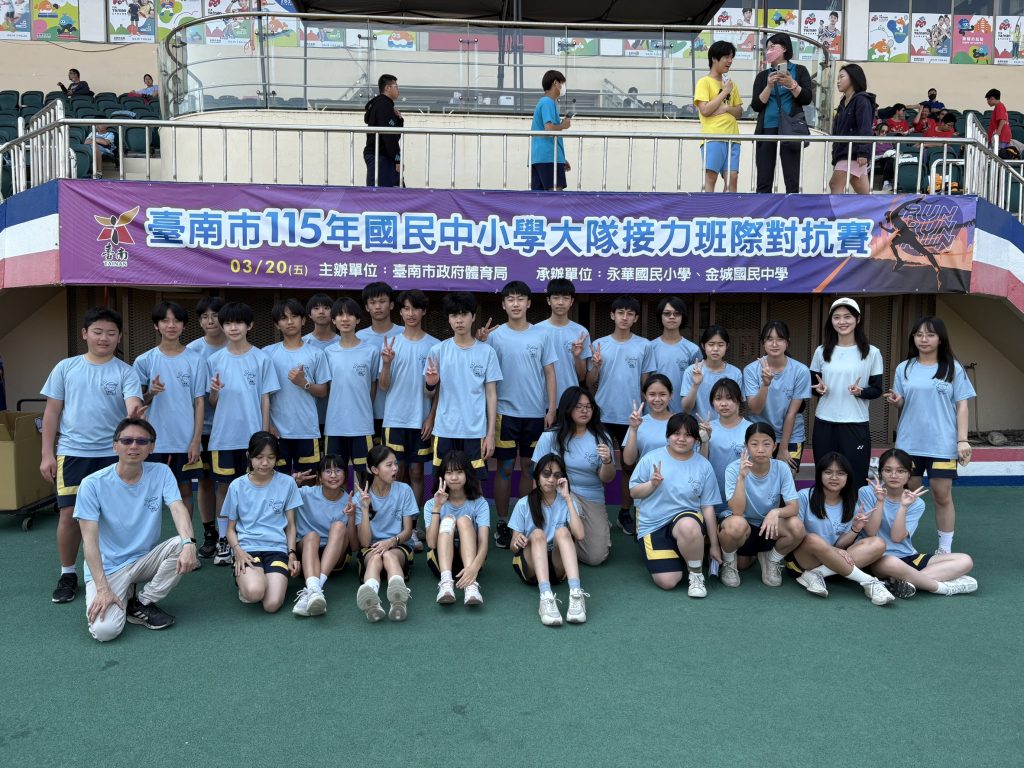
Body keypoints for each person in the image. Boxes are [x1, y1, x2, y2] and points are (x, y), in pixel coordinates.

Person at [40, 307, 144, 604]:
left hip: (113, 455)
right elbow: (51, 413)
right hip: (73, 453)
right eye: (98, 332)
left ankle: (118, 570)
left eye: (111, 333)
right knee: (69, 515)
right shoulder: (66, 368)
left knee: (115, 516)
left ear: (119, 337)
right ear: (85, 333)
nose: (104, 338)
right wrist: (47, 454)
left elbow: (132, 404)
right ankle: (68, 573)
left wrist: (135, 413)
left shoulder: (126, 372)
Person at [75, 418, 197, 641]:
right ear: (115, 445)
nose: (134, 446)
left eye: (142, 441)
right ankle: (124, 591)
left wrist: (189, 543)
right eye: (127, 440)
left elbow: (178, 508)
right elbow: (89, 542)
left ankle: (141, 602)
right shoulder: (92, 484)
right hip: (109, 568)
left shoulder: (161, 472)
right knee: (105, 632)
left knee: (183, 543)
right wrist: (102, 589)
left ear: (151, 447)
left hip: (143, 560)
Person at [476, 281, 557, 549]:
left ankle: (523, 521)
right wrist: (480, 340)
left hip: (535, 414)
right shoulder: (495, 336)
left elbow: (550, 373)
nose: (515, 303)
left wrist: (552, 408)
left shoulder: (542, 335)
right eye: (510, 299)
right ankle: (502, 521)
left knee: (531, 468)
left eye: (520, 299)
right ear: (503, 304)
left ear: (529, 303)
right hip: (504, 413)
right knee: (506, 468)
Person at [886, 316, 975, 555]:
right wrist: (897, 401)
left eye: (930, 334)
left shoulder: (953, 368)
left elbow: (962, 405)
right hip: (909, 444)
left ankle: (944, 549)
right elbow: (903, 401)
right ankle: (901, 545)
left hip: (942, 444)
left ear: (940, 339)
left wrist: (962, 440)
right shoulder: (904, 368)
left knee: (941, 495)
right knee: (908, 494)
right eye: (919, 334)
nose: (923, 339)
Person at [207, 302, 280, 566]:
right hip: (223, 437)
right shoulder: (214, 360)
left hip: (253, 437)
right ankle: (223, 540)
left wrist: (264, 435)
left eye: (238, 322)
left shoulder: (261, 359)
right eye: (228, 323)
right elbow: (212, 403)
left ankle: (252, 537)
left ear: (250, 326)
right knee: (224, 489)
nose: (233, 328)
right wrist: (215, 391)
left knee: (254, 488)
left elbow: (265, 399)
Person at [629, 413, 722, 597]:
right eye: (676, 433)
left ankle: (696, 574)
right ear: (667, 435)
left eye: (687, 435)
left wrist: (714, 544)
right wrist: (651, 484)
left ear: (696, 439)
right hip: (653, 524)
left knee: (688, 525)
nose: (681, 439)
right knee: (668, 581)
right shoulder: (651, 458)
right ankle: (684, 554)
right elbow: (634, 492)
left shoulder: (703, 465)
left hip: (686, 522)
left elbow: (708, 507)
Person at [863, 449, 977, 597]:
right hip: (881, 559)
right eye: (888, 470)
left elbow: (897, 537)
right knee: (891, 563)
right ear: (880, 473)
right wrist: (880, 500)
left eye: (900, 471)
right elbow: (871, 532)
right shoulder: (867, 492)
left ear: (909, 474)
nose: (894, 475)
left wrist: (903, 506)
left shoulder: (916, 503)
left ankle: (905, 583)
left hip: (909, 557)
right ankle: (940, 586)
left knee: (965, 560)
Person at [133, 302, 206, 531]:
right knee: (149, 494)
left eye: (176, 320)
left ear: (184, 326)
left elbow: (199, 402)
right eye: (165, 320)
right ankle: (147, 544)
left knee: (185, 491)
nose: (171, 325)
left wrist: (195, 440)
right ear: (156, 326)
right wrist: (151, 393)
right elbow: (137, 404)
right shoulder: (144, 361)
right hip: (153, 442)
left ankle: (187, 541)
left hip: (185, 440)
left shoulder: (196, 359)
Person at [787, 452, 895, 605]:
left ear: (847, 477)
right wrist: (834, 551)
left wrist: (855, 529)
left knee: (878, 543)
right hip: (805, 559)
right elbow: (797, 533)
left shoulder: (850, 504)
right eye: (828, 472)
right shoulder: (804, 496)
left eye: (840, 473)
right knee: (813, 539)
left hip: (831, 562)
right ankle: (869, 581)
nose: (834, 477)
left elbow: (840, 544)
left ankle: (818, 574)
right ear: (819, 474)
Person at [586, 295, 649, 536]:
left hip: (631, 418)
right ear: (612, 315)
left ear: (636, 318)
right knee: (598, 465)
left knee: (629, 467)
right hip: (602, 415)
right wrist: (596, 366)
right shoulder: (600, 344)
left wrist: (645, 414)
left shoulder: (644, 346)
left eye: (630, 313)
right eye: (620, 312)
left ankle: (625, 513)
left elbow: (646, 384)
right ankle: (597, 513)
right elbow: (589, 382)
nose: (624, 317)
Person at [532, 387, 615, 566]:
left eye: (588, 406)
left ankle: (593, 528)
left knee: (595, 558)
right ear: (567, 408)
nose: (585, 411)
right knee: (544, 548)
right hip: (555, 495)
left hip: (590, 497)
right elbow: (536, 476)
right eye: (579, 407)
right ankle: (562, 538)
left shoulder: (602, 437)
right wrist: (535, 507)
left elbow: (607, 478)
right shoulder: (550, 436)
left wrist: (607, 461)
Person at [425, 291, 502, 480]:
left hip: (475, 431)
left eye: (464, 314)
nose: (459, 320)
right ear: (448, 319)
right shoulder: (437, 350)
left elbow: (491, 395)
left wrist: (490, 434)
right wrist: (430, 384)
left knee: (474, 482)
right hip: (445, 429)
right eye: (454, 315)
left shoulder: (487, 352)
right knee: (443, 482)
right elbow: (429, 393)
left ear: (473, 317)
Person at [223, 431, 302, 613]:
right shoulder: (237, 486)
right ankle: (248, 580)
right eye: (259, 457)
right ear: (249, 456)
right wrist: (238, 552)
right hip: (248, 549)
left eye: (271, 457)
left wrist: (291, 554)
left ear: (277, 458)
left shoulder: (288, 483)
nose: (265, 463)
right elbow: (230, 529)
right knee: (255, 592)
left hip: (277, 549)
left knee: (271, 605)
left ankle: (261, 576)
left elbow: (291, 526)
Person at [718, 423, 804, 588]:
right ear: (746, 446)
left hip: (768, 527)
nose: (760, 449)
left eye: (766, 444)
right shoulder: (734, 468)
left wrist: (775, 512)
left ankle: (772, 559)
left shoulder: (782, 468)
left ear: (774, 446)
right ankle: (729, 563)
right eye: (754, 444)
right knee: (736, 532)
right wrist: (742, 478)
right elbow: (737, 511)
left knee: (797, 526)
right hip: (743, 526)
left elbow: (794, 507)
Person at [810, 297, 883, 488]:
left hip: (855, 422)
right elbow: (813, 385)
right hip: (824, 421)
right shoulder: (821, 351)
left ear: (857, 319)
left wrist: (861, 392)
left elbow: (877, 389)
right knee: (824, 475)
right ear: (831, 321)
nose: (842, 321)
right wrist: (819, 390)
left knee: (855, 477)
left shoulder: (872, 352)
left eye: (847, 316)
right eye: (836, 317)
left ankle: (855, 509)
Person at [509, 454, 587, 626]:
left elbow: (580, 535)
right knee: (537, 534)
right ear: (537, 476)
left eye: (557, 475)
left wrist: (567, 498)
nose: (551, 479)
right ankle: (545, 597)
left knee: (563, 531)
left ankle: (576, 593)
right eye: (546, 474)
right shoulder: (523, 504)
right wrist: (518, 541)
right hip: (531, 568)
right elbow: (513, 547)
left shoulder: (567, 501)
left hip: (557, 568)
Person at [378, 289, 438, 511]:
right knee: (395, 471)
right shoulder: (391, 344)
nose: (411, 313)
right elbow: (383, 386)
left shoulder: (434, 345)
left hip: (420, 421)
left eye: (415, 308)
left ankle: (413, 523)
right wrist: (386, 364)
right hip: (394, 419)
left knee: (416, 472)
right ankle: (394, 520)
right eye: (406, 308)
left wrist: (431, 417)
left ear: (424, 312)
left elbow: (438, 389)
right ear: (400, 312)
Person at [263, 299, 329, 476]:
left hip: (307, 430)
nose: (290, 322)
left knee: (309, 480)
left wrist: (303, 383)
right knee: (278, 480)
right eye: (284, 318)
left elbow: (323, 391)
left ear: (303, 320)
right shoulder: (267, 354)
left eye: (294, 316)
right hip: (277, 432)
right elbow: (262, 395)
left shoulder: (316, 354)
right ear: (277, 324)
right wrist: (267, 424)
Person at [354, 445, 417, 622]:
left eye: (395, 463)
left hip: (398, 545)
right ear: (375, 470)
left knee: (389, 555)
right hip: (371, 548)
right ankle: (371, 603)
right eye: (389, 465)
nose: (395, 468)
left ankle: (399, 602)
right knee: (375, 558)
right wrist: (364, 508)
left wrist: (391, 541)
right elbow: (364, 542)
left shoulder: (404, 490)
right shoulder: (360, 497)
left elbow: (407, 531)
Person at [291, 454, 358, 617]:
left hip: (335, 557)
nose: (333, 475)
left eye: (338, 470)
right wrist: (292, 483)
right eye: (328, 471)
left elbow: (355, 546)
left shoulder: (351, 501)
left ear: (345, 474)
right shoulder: (305, 493)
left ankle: (313, 589)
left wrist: (351, 517)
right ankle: (315, 590)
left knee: (338, 526)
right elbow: (277, 496)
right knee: (312, 535)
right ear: (319, 476)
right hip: (307, 553)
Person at [742, 320, 811, 473]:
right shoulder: (751, 370)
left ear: (787, 342)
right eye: (769, 339)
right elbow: (755, 409)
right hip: (759, 435)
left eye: (780, 339)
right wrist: (765, 384)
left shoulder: (801, 370)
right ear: (763, 343)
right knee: (759, 481)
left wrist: (783, 448)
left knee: (787, 482)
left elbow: (792, 413)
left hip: (791, 437)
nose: (774, 344)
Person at [187, 296, 226, 559]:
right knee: (205, 482)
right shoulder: (192, 351)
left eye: (215, 315)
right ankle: (210, 532)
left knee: (227, 484)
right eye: (205, 316)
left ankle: (228, 535)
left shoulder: (239, 346)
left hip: (232, 430)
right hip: (200, 429)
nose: (211, 321)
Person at [423, 451, 489, 606]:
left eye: (459, 472)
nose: (454, 477)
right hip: (441, 563)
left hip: (472, 562)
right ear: (442, 476)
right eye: (449, 473)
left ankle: (471, 586)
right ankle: (446, 583)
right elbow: (431, 543)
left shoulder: (480, 503)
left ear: (467, 474)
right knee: (448, 519)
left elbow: (484, 542)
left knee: (464, 520)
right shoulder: (431, 504)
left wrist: (474, 568)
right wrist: (437, 507)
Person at [750, 32, 813, 193]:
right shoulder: (762, 76)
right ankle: (763, 208)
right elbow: (756, 105)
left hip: (791, 129)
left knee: (792, 179)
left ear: (784, 48)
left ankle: (792, 208)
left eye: (773, 47)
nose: (769, 51)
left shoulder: (800, 70)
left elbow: (807, 98)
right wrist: (768, 86)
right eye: (767, 48)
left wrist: (792, 84)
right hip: (767, 128)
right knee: (764, 179)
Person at [323, 297, 379, 479]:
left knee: (365, 475)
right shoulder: (328, 352)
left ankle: (361, 500)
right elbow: (327, 388)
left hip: (362, 425)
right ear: (333, 320)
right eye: (340, 315)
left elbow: (373, 386)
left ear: (358, 319)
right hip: (334, 425)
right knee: (333, 475)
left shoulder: (371, 351)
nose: (345, 319)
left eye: (350, 315)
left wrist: (363, 408)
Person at [356, 282, 403, 439]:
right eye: (372, 302)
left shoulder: (404, 334)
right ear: (366, 307)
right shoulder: (359, 337)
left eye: (382, 301)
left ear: (391, 305)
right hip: (367, 411)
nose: (377, 306)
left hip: (398, 412)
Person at [694, 40, 743, 192]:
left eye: (731, 57)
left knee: (732, 178)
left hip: (733, 137)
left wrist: (726, 108)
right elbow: (705, 110)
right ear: (714, 59)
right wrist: (725, 92)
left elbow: (739, 112)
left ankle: (729, 206)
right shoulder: (704, 82)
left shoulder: (731, 84)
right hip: (713, 137)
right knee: (711, 177)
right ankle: (709, 206)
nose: (730, 61)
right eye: (726, 57)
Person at [700, 378, 752, 521]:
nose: (723, 403)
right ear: (712, 402)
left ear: (739, 400)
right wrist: (705, 440)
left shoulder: (750, 429)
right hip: (711, 497)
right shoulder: (707, 428)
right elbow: (701, 463)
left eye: (729, 398)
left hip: (740, 497)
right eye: (718, 399)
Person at [641, 296, 701, 413]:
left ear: (683, 317)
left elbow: (697, 383)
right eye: (667, 313)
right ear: (660, 316)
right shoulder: (649, 347)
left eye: (677, 313)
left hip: (683, 413)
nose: (672, 317)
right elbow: (644, 381)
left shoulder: (693, 349)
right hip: (653, 412)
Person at [537, 277, 591, 402]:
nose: (560, 302)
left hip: (570, 400)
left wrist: (577, 356)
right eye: (556, 298)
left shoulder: (581, 332)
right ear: (548, 300)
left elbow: (582, 376)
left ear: (571, 301)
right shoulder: (536, 330)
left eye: (566, 298)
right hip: (540, 400)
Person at [680, 325, 742, 424]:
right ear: (703, 345)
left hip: (725, 428)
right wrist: (695, 385)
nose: (715, 349)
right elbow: (686, 409)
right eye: (711, 344)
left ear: (727, 346)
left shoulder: (735, 373)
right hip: (698, 428)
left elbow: (737, 406)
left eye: (720, 345)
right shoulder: (692, 371)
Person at [829, 63, 875, 194]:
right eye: (838, 77)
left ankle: (834, 210)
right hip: (846, 152)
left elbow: (865, 127)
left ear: (853, 78)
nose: (838, 81)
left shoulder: (862, 100)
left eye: (842, 77)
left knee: (835, 185)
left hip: (853, 153)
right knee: (863, 194)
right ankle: (872, 208)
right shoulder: (843, 104)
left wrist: (863, 152)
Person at [530, 69, 572, 191]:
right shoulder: (548, 102)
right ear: (555, 83)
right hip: (549, 158)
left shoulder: (545, 102)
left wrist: (561, 158)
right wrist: (563, 125)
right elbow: (549, 129)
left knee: (539, 198)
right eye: (562, 83)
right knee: (556, 196)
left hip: (540, 158)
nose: (563, 87)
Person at [301, 293, 337, 433]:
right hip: (309, 414)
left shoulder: (342, 342)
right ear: (309, 315)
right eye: (316, 308)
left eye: (326, 308)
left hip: (337, 412)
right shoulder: (303, 343)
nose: (321, 312)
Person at [622, 374, 674, 466]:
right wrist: (633, 429)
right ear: (645, 396)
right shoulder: (637, 422)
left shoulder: (680, 422)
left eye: (662, 394)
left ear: (670, 395)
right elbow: (628, 460)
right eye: (652, 394)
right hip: (646, 474)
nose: (657, 399)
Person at [363, 74, 403, 187]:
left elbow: (394, 134)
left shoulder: (381, 105)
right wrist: (397, 159)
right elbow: (390, 136)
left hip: (380, 156)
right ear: (387, 88)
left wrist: (399, 119)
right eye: (396, 86)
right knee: (382, 195)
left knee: (392, 193)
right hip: (381, 157)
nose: (398, 90)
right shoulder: (384, 105)